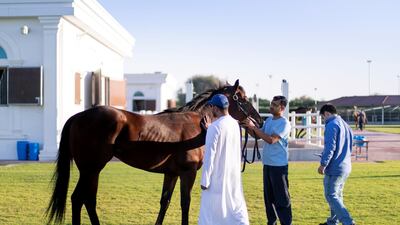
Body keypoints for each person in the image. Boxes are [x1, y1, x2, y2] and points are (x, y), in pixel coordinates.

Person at [198, 94, 249, 225]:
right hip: (232, 175)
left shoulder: (214, 127)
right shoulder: (234, 124)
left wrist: (205, 180)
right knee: (234, 208)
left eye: (211, 106)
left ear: (215, 108)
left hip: (216, 176)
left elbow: (209, 156)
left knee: (209, 213)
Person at [241, 95, 292, 225]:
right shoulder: (269, 120)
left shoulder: (284, 123)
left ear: (282, 107)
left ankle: (286, 222)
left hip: (279, 167)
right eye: (271, 103)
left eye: (274, 105)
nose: (271, 106)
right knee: (268, 198)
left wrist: (254, 127)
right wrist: (246, 126)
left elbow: (271, 140)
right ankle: (272, 222)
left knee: (281, 198)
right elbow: (258, 135)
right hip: (268, 165)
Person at [318, 104, 355, 225]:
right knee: (337, 195)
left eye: (323, 117)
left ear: (326, 114)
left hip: (335, 167)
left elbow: (330, 147)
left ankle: (348, 222)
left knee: (331, 195)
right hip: (346, 165)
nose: (324, 120)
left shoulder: (332, 124)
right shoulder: (345, 124)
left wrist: (323, 164)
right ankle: (333, 221)